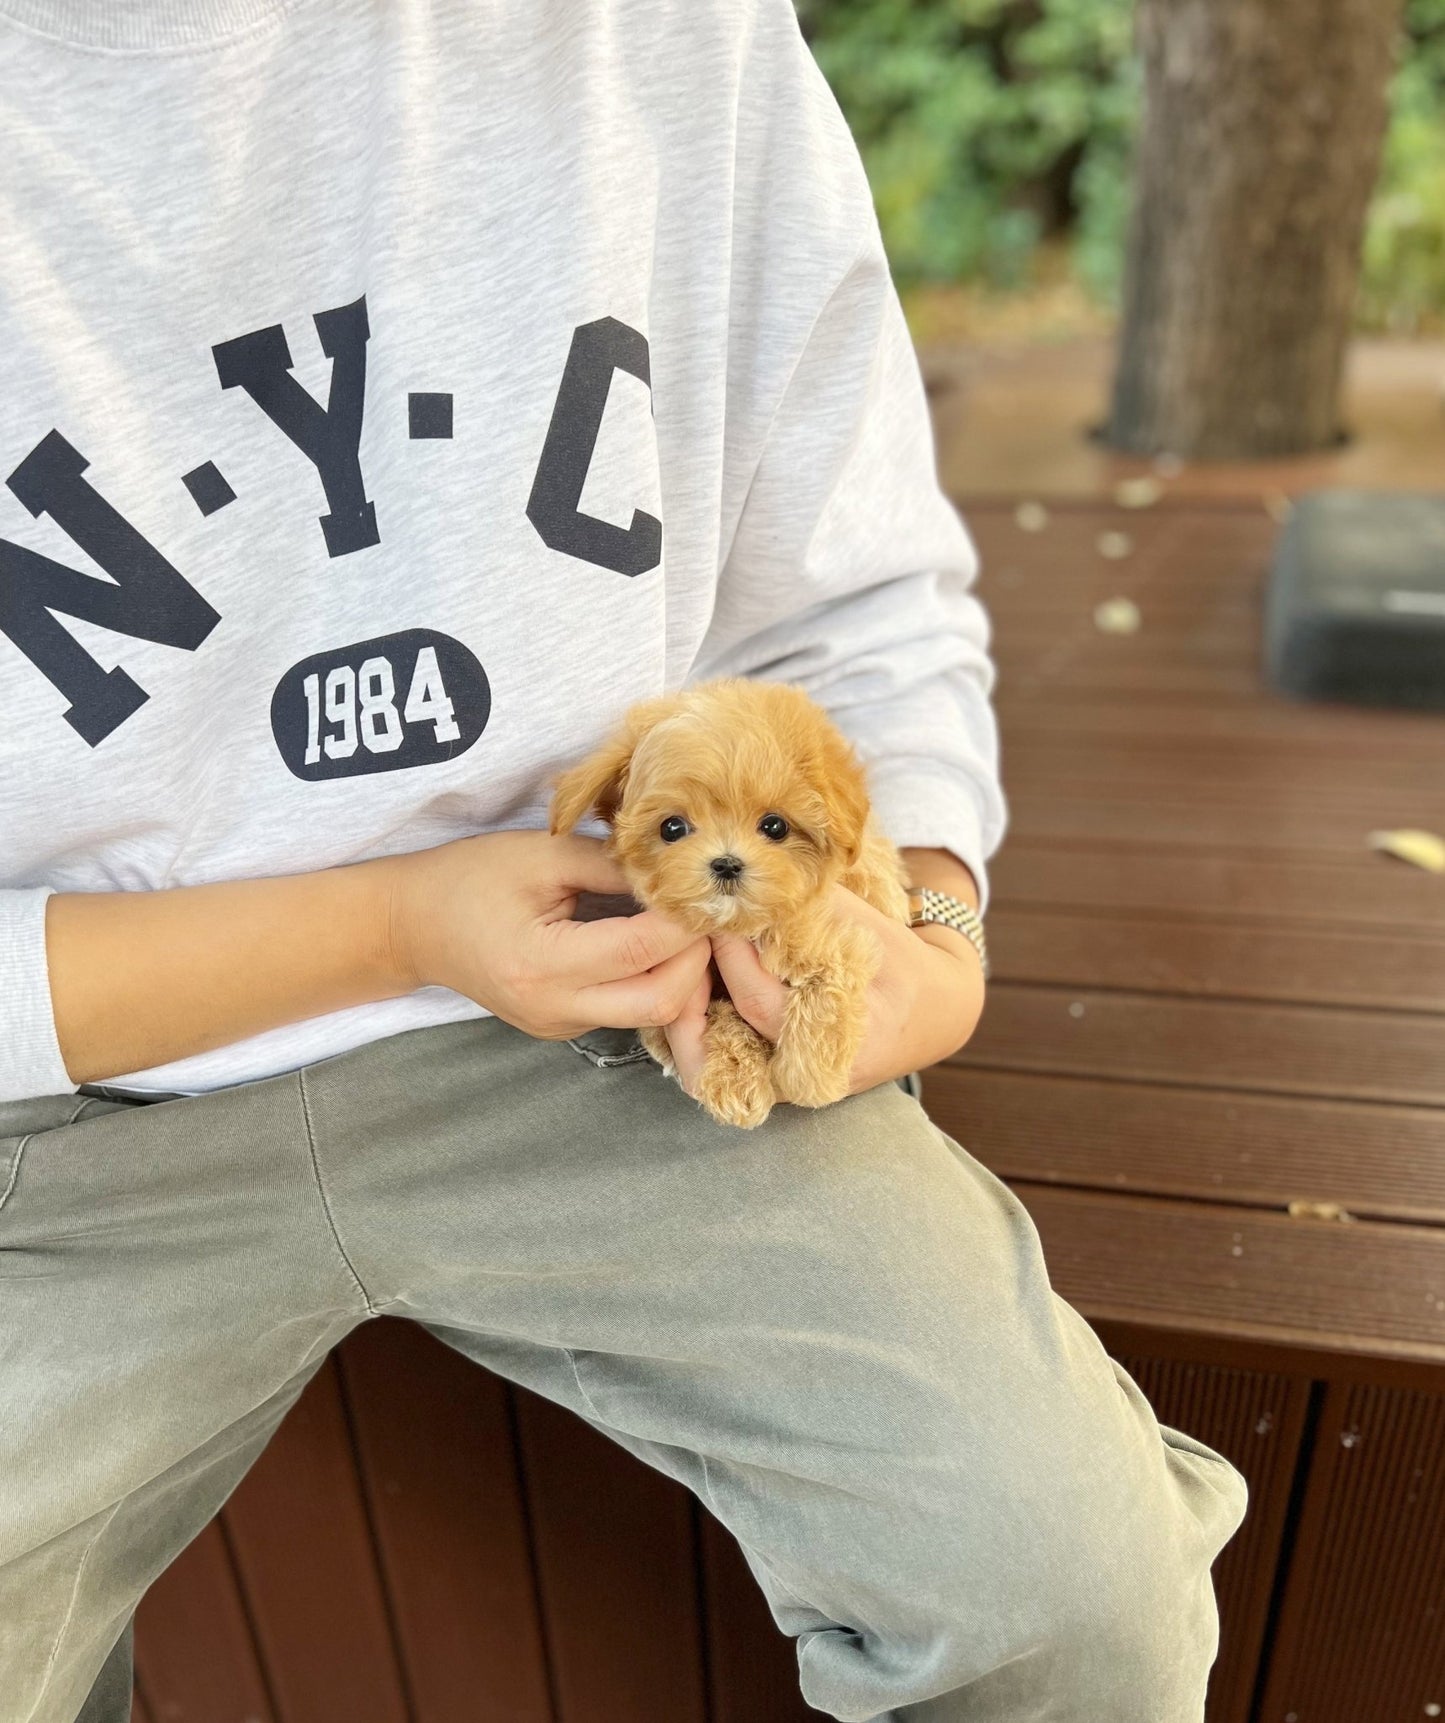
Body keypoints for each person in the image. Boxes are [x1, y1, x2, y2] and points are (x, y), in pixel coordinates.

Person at [0, 2, 1247, 1718]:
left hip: (637, 1031)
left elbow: (844, 600)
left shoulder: (651, 31)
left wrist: (933, 934)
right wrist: (394, 923)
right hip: (59, 1108)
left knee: (1066, 1592)